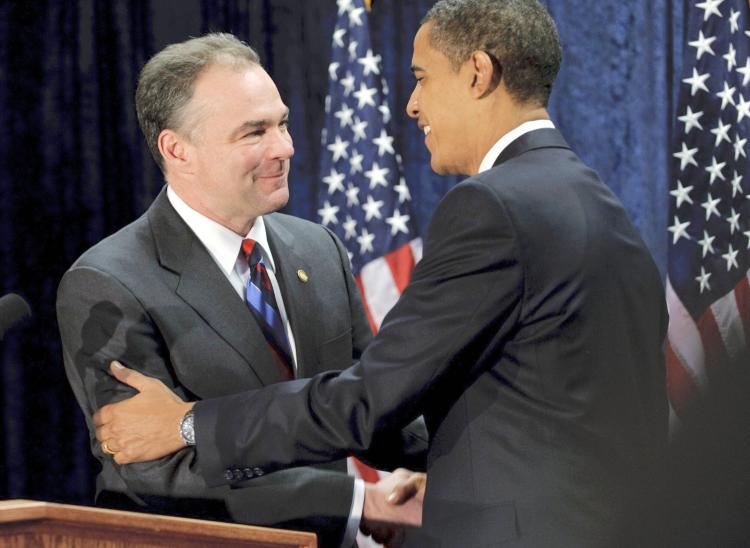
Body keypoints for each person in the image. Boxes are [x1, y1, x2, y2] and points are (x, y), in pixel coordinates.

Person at [93, 2, 669, 546]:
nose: (412, 104)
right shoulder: (595, 202)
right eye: (254, 131)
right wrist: (461, 484)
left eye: (421, 77)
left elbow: (368, 399)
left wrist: (191, 424)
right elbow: (546, 407)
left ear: (477, 72)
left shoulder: (492, 208)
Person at [56, 32, 426, 548]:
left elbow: (373, 409)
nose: (285, 148)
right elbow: (155, 474)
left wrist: (466, 460)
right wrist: (355, 503)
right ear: (177, 149)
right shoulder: (110, 282)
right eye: (254, 132)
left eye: (282, 123)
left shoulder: (318, 249)